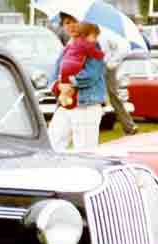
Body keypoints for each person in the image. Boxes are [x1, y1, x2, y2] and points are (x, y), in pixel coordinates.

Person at [48, 13, 107, 151]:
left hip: (86, 104)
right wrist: (58, 86)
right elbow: (54, 76)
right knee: (52, 144)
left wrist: (71, 83)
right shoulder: (67, 48)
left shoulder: (93, 46)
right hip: (65, 105)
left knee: (85, 150)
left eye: (75, 21)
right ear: (62, 26)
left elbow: (92, 74)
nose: (72, 25)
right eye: (67, 22)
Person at [55, 23, 104, 109]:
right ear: (85, 35)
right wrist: (101, 55)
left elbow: (58, 68)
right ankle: (64, 97)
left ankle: (63, 97)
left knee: (67, 86)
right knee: (69, 86)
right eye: (94, 36)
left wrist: (61, 82)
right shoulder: (87, 45)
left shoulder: (71, 44)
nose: (96, 39)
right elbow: (91, 75)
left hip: (65, 69)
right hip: (73, 70)